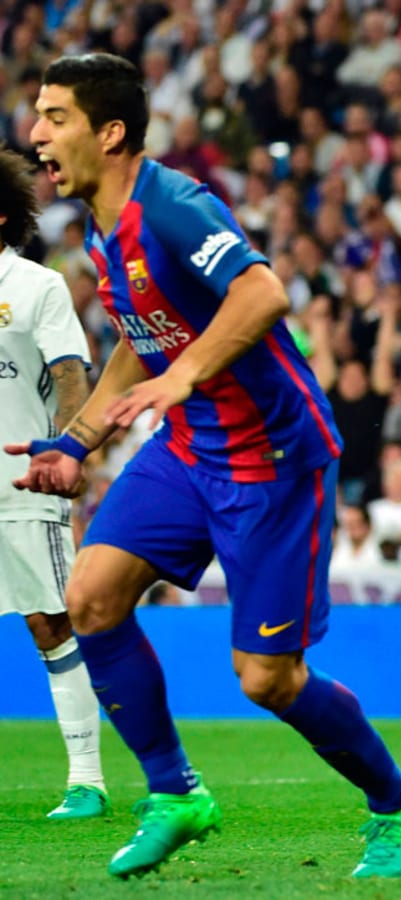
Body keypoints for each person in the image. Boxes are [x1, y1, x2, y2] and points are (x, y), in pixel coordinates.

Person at [6, 54, 401, 880]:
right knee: (90, 598)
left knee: (268, 680)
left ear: (111, 131)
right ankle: (175, 794)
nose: (35, 134)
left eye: (55, 116)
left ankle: (398, 802)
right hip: (190, 445)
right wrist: (76, 440)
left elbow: (262, 294)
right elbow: (143, 342)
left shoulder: (172, 206)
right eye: (38, 114)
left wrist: (186, 376)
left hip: (270, 458)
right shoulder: (103, 227)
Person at [0, 146, 109, 820]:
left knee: (50, 623)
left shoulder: (35, 285)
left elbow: (72, 373)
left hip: (20, 483)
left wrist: (67, 449)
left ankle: (87, 780)